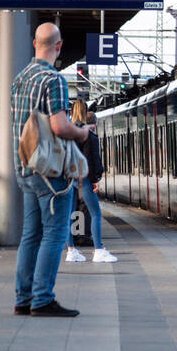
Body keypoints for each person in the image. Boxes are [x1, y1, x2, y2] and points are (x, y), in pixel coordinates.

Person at [12, 23, 93, 317]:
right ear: (58, 47)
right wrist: (82, 133)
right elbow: (59, 125)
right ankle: (42, 299)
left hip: (24, 168)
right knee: (55, 234)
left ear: (35, 43)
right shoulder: (53, 79)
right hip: (49, 172)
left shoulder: (19, 79)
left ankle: (23, 298)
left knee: (30, 235)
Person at [65, 99, 116, 264]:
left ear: (71, 112)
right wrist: (95, 180)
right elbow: (91, 160)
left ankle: (71, 251)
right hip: (84, 179)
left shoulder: (66, 134)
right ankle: (99, 250)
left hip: (68, 179)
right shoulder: (88, 135)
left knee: (68, 215)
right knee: (95, 213)